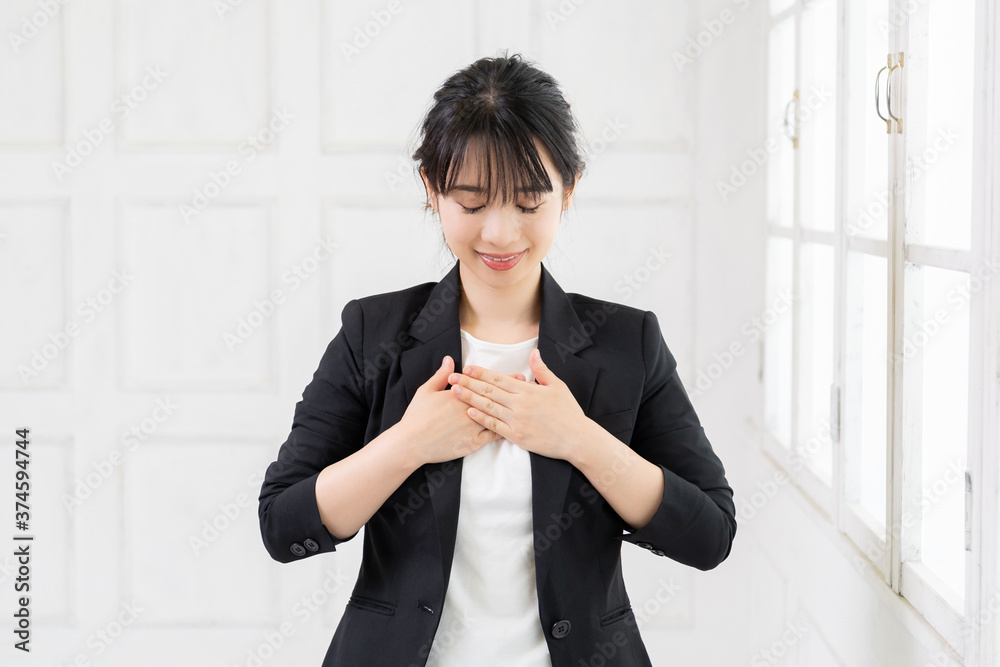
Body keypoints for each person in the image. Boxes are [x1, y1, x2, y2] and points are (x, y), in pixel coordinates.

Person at [257, 52, 736, 667]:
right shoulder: (372, 333)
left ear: (569, 190)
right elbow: (282, 525)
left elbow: (709, 534)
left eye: (529, 203)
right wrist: (409, 444)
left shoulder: (627, 342)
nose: (501, 233)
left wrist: (578, 439)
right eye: (472, 202)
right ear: (432, 190)